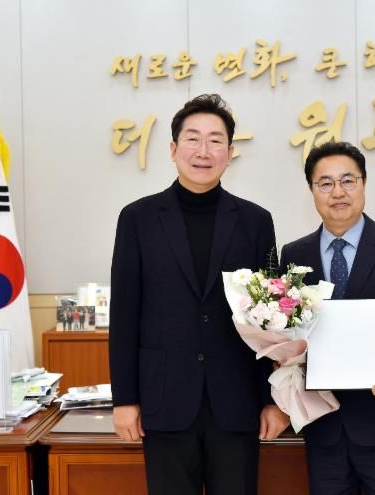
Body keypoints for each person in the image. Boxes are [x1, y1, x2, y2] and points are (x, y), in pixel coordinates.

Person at [109, 94, 290, 495]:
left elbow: (271, 320)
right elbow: (123, 315)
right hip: (164, 401)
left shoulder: (256, 221)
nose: (203, 151)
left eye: (215, 140)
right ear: (173, 149)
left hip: (237, 402)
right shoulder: (137, 219)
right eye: (192, 139)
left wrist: (272, 400)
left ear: (230, 153)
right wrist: (124, 399)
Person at [279, 141, 375, 495]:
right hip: (324, 427)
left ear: (363, 183)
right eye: (325, 183)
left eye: (348, 180)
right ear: (312, 191)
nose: (338, 192)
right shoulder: (294, 254)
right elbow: (288, 334)